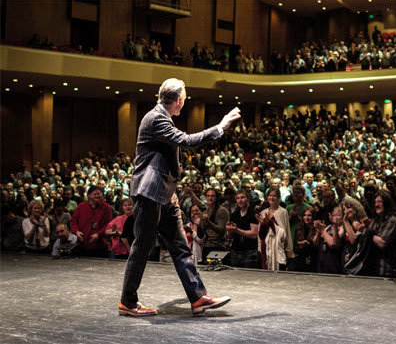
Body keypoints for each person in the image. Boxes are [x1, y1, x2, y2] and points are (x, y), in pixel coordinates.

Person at [119, 78, 240, 317]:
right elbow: (186, 141)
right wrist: (221, 127)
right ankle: (127, 302)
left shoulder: (162, 118)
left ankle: (197, 298)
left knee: (180, 247)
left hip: (165, 193)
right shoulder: (156, 119)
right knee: (141, 249)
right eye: (183, 100)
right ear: (178, 100)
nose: (183, 104)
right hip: (150, 193)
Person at [70, 185, 112, 257]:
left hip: (100, 245)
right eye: (94, 194)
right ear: (89, 195)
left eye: (99, 194)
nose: (97, 196)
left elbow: (109, 224)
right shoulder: (81, 206)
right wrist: (76, 231)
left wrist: (98, 234)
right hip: (83, 244)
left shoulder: (106, 207)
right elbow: (73, 221)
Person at [257, 188, 294, 271]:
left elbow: (285, 231)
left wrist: (288, 249)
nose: (272, 198)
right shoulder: (263, 212)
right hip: (265, 246)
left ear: (278, 198)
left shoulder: (283, 212)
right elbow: (261, 233)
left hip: (278, 246)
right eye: (270, 195)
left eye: (274, 196)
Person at [225, 189, 260, 268]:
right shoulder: (234, 215)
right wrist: (229, 230)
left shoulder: (253, 213)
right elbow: (230, 236)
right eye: (238, 198)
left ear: (248, 198)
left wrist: (237, 230)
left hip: (250, 251)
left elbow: (254, 234)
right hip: (236, 250)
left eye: (242, 198)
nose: (240, 200)